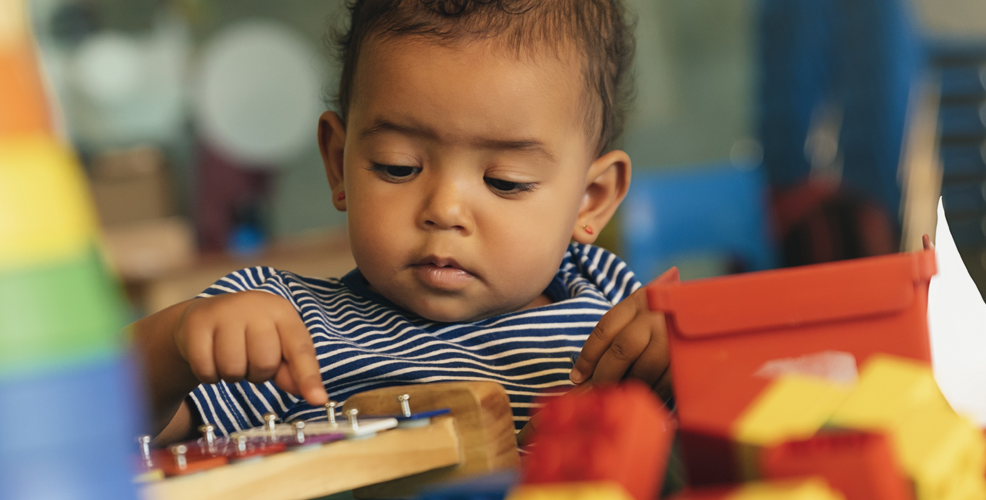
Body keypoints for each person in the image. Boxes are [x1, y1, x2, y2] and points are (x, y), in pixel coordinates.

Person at [131, 0, 670, 443]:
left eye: (505, 180)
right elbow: (102, 425)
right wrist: (174, 344)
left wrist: (682, 368)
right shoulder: (287, 328)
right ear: (338, 162)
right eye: (398, 167)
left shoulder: (610, 315)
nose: (445, 210)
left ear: (590, 200)